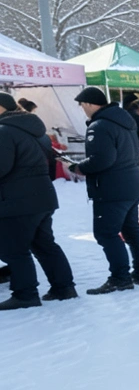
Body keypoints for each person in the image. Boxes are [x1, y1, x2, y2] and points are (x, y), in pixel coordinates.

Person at [67, 87, 139, 294]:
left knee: (106, 234)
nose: (82, 110)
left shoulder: (99, 126)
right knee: (132, 231)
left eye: (82, 106)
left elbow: (103, 159)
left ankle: (120, 277)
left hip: (110, 187)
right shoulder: (124, 121)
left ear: (89, 103)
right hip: (131, 184)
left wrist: (78, 167)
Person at [0, 92, 76, 309]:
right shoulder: (37, 131)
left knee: (13, 249)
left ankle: (25, 294)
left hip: (17, 200)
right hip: (43, 197)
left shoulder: (4, 131)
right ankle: (64, 288)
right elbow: (55, 159)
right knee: (43, 244)